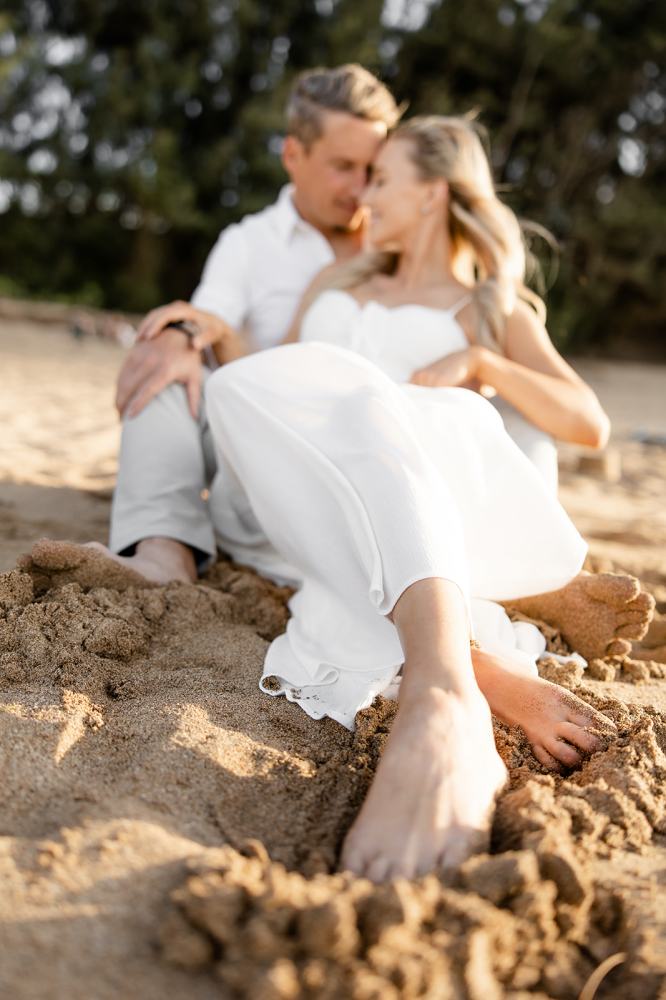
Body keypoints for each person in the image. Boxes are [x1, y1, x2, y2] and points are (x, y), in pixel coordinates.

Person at [194, 115, 620, 881]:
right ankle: (471, 658)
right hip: (291, 512)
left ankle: (442, 692)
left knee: (384, 414)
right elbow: (284, 382)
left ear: (433, 192)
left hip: (407, 509)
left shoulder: (490, 308)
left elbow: (588, 423)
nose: (364, 195)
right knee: (240, 387)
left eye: (382, 179)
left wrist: (484, 360)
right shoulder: (337, 281)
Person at [108, 64, 402, 585]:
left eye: (372, 170)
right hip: (254, 445)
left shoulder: (401, 243)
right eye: (343, 166)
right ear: (294, 155)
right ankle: (164, 551)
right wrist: (180, 335)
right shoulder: (249, 244)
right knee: (165, 374)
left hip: (364, 443)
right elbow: (211, 317)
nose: (361, 188)